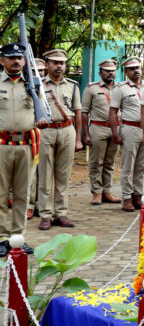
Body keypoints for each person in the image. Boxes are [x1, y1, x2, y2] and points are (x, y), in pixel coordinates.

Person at [0, 43, 41, 255]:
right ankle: (1, 237)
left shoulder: (34, 85)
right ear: (2, 61)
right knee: (0, 193)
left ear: (24, 61)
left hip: (26, 145)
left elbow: (42, 112)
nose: (16, 61)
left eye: (19, 57)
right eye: (11, 57)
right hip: (2, 146)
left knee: (23, 194)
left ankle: (17, 237)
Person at [36, 49, 83, 230]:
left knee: (63, 175)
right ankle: (46, 214)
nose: (59, 66)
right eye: (55, 63)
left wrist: (78, 139)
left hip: (67, 129)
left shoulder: (73, 85)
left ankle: (61, 213)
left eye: (62, 63)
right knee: (45, 174)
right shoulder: (38, 85)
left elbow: (78, 112)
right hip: (46, 131)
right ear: (47, 64)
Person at [109, 57, 144, 212]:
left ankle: (137, 195)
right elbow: (113, 112)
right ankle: (126, 198)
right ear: (126, 72)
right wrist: (115, 132)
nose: (136, 71)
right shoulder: (121, 88)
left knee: (142, 166)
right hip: (129, 129)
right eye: (132, 69)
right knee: (127, 166)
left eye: (138, 67)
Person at [82, 60, 122, 206]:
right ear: (100, 73)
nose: (111, 73)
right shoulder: (92, 89)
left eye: (113, 70)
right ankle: (96, 192)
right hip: (98, 128)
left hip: (115, 129)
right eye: (107, 70)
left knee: (110, 162)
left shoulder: (120, 88)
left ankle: (107, 191)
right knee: (96, 162)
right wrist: (86, 134)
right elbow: (84, 112)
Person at [27, 58, 47, 219]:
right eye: (34, 71)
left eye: (40, 71)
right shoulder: (26, 87)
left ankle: (42, 205)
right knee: (31, 172)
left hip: (46, 132)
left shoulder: (47, 87)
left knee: (45, 173)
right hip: (30, 134)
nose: (38, 74)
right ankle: (29, 205)